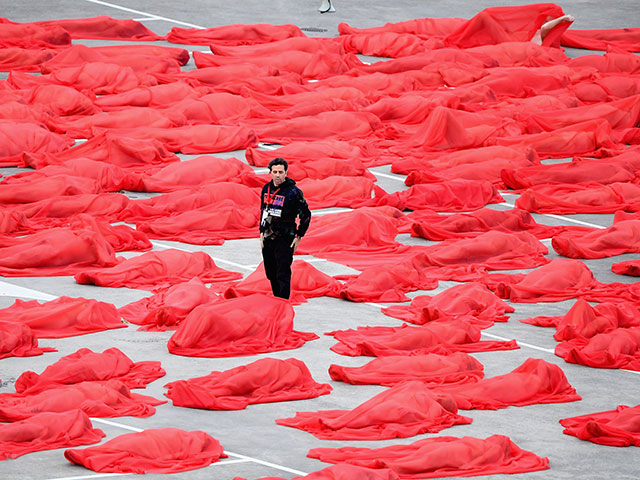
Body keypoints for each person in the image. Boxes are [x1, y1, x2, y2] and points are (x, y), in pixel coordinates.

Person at [259, 157, 311, 299]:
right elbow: (263, 210)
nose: (277, 175)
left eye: (280, 172)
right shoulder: (266, 189)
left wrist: (299, 236)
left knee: (283, 273)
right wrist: (261, 233)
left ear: (286, 173)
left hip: (285, 236)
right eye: (274, 172)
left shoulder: (293, 192)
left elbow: (305, 215)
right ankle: (277, 300)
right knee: (271, 272)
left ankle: (282, 304)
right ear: (270, 172)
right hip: (269, 236)